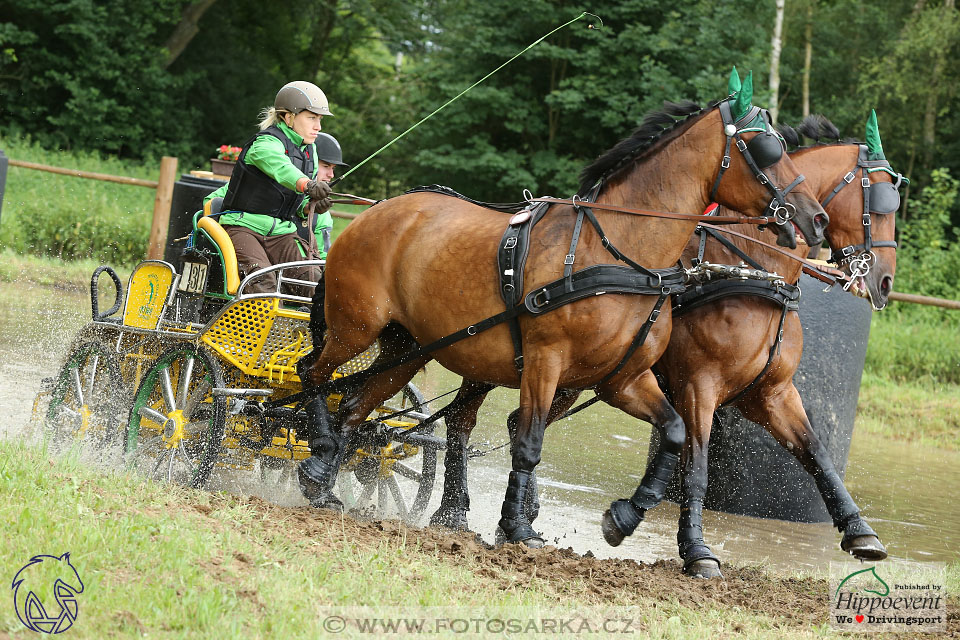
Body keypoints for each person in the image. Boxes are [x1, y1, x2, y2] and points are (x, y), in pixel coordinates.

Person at [202, 80, 336, 294]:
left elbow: (296, 203)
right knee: (263, 285)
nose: (318, 127)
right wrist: (308, 185)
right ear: (288, 116)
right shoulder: (265, 144)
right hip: (243, 227)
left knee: (314, 285)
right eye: (311, 118)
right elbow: (281, 168)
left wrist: (311, 207)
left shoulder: (310, 151)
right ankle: (263, 326)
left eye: (319, 119)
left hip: (283, 233)